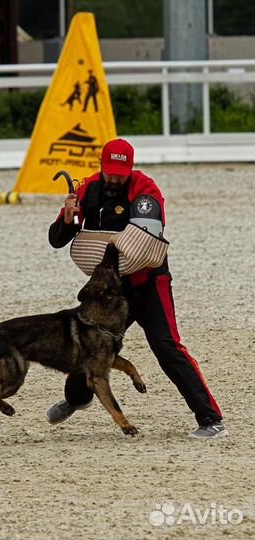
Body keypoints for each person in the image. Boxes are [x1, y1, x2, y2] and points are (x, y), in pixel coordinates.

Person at [47, 138, 228, 439]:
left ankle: (211, 419)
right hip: (109, 291)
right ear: (102, 167)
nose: (115, 177)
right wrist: (68, 218)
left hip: (148, 282)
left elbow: (144, 244)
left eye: (121, 171)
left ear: (130, 168)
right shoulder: (87, 189)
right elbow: (56, 239)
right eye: (110, 171)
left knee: (167, 347)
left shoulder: (146, 191)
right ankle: (77, 399)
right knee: (87, 345)